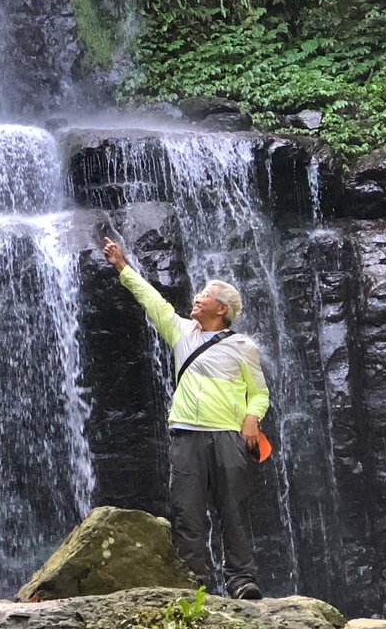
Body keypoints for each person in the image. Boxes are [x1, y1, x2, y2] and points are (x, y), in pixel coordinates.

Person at [102, 236, 269, 600]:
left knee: (233, 511)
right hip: (186, 435)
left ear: (221, 308)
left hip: (228, 436)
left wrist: (252, 418)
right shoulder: (181, 333)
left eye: (204, 295)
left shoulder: (244, 348)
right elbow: (152, 300)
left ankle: (241, 580)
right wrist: (122, 266)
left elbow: (259, 392)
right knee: (187, 513)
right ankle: (197, 583)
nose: (196, 298)